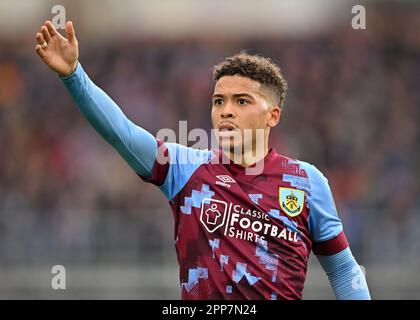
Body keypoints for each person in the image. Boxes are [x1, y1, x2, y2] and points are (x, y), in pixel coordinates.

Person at [34, 20, 371, 300]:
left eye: (241, 101)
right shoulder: (185, 168)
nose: (226, 110)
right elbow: (120, 132)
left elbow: (342, 268)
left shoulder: (306, 182)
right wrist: (73, 74)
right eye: (218, 100)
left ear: (273, 115)